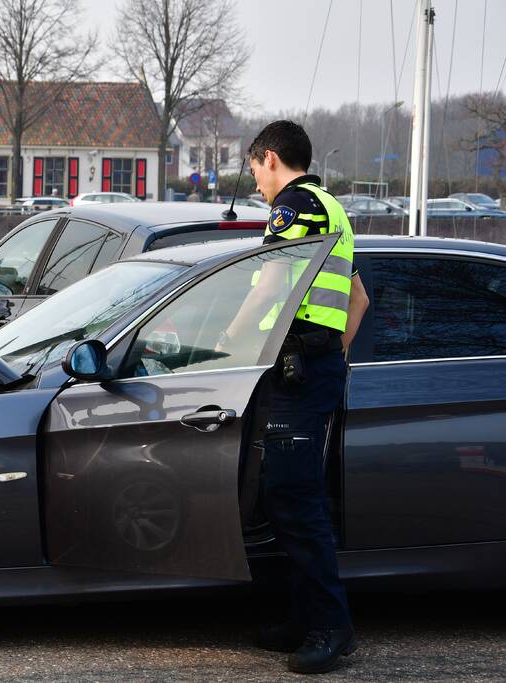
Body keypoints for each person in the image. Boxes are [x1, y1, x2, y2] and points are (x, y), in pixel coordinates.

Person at [216, 120, 370, 674]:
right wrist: (334, 355)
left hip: (302, 373)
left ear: (272, 158)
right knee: (289, 497)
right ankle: (307, 619)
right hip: (310, 368)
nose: (256, 183)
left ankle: (333, 627)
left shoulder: (297, 204)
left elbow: (271, 284)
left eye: (255, 169)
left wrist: (225, 346)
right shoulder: (331, 205)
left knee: (295, 498)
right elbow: (358, 298)